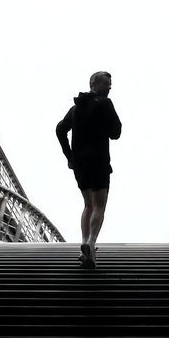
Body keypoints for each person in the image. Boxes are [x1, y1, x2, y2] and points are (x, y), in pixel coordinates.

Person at [55, 71, 122, 267]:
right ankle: (91, 244)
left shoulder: (75, 108)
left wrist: (69, 156)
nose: (110, 87)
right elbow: (116, 132)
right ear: (95, 84)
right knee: (100, 205)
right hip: (99, 161)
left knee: (88, 205)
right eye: (107, 83)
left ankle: (84, 245)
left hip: (80, 164)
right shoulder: (105, 103)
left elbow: (60, 129)